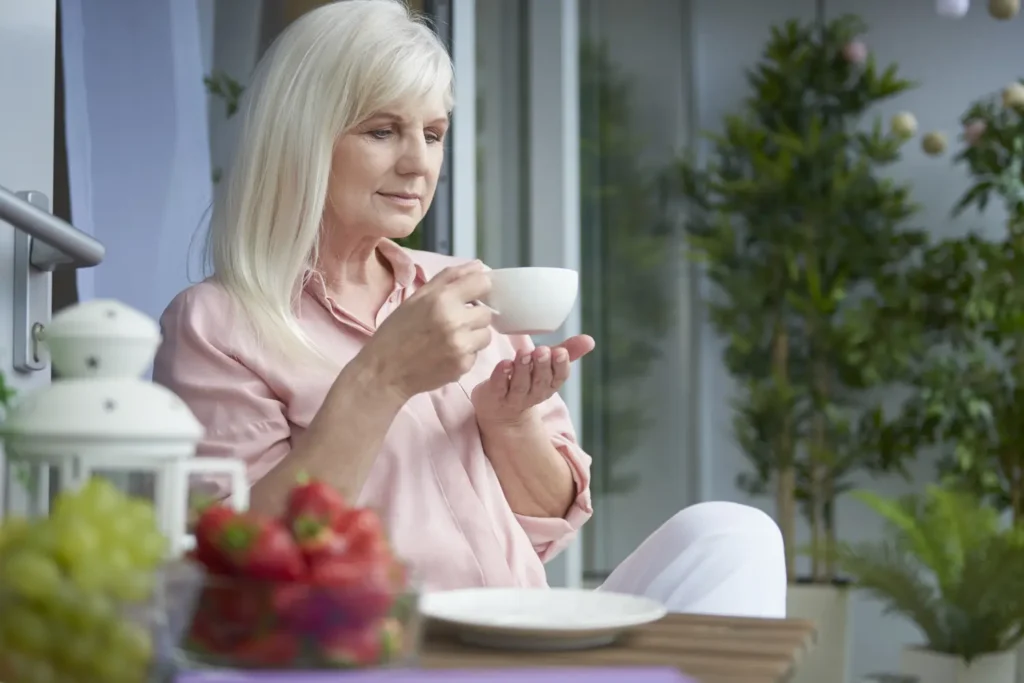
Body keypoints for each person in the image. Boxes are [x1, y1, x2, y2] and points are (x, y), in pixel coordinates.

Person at [153, 0, 785, 618]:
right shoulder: (215, 325)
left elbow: (552, 522)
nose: (417, 163)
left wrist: (511, 427)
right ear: (300, 138)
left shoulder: (461, 288)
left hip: (523, 631)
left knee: (733, 535)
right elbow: (243, 557)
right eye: (382, 131)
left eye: (432, 135)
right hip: (387, 650)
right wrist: (382, 378)